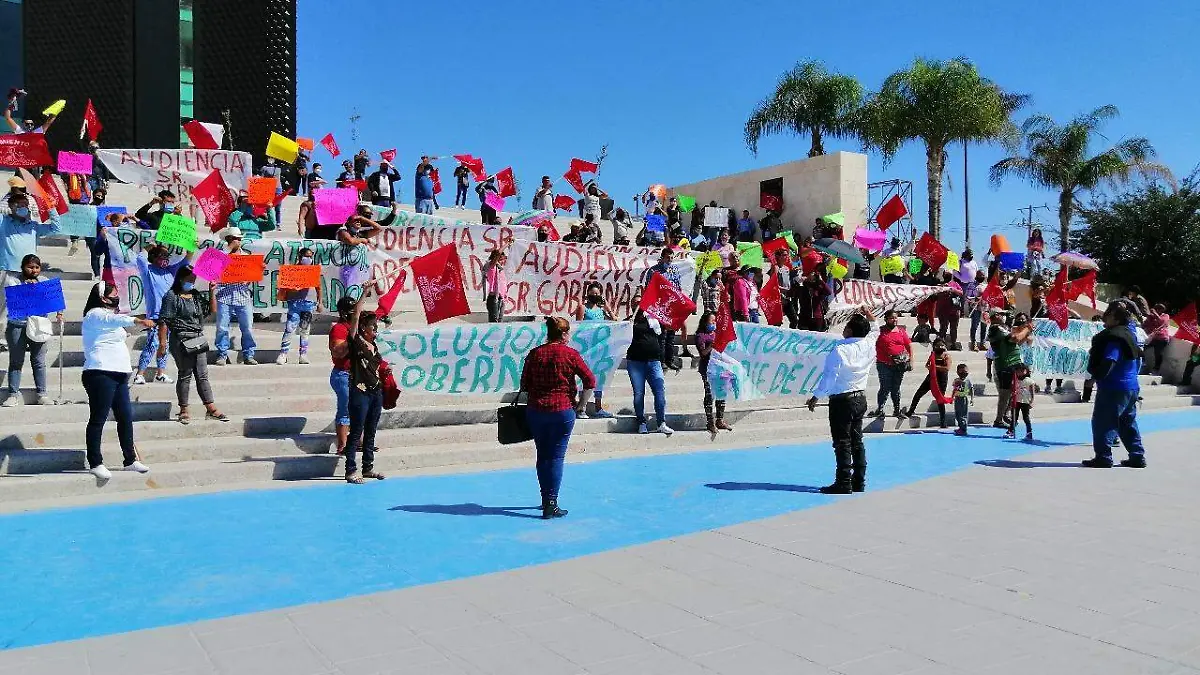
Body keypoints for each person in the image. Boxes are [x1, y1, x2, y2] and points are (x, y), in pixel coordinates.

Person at [520, 316, 596, 518]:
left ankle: (545, 499)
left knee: (542, 455)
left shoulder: (535, 353)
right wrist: (581, 405)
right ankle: (551, 502)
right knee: (556, 456)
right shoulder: (570, 354)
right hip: (562, 410)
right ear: (564, 334)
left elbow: (524, 384)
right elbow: (590, 380)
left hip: (536, 410)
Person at [80, 281, 156, 479]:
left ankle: (130, 459)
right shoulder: (94, 314)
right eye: (113, 294)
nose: (116, 296)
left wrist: (147, 324)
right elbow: (113, 321)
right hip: (100, 372)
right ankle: (95, 462)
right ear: (103, 297)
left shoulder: (111, 318)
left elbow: (120, 328)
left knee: (125, 417)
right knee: (99, 418)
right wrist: (137, 320)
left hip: (120, 373)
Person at [806, 308, 878, 494]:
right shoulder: (869, 344)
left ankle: (843, 481)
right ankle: (859, 480)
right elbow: (875, 328)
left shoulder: (840, 350)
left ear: (851, 331)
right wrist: (869, 314)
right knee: (857, 440)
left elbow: (829, 376)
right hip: (860, 397)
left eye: (846, 327)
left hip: (842, 400)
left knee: (842, 442)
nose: (843, 329)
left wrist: (816, 396)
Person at [157, 266, 228, 424]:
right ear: (181, 278)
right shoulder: (171, 296)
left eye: (194, 279)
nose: (192, 282)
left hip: (197, 338)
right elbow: (164, 320)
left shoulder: (195, 295)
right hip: (181, 339)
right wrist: (162, 343)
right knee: (185, 374)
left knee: (202, 375)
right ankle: (183, 409)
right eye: (190, 279)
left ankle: (211, 408)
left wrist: (212, 292)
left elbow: (212, 310)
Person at [1083, 303, 1147, 468]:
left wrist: (1096, 376)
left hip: (1114, 387)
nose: (1105, 316)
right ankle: (1137, 455)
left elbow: (1110, 361)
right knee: (1128, 422)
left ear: (1116, 318)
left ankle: (1103, 456)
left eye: (1108, 314)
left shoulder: (1115, 339)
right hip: (1131, 386)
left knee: (1104, 421)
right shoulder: (1130, 334)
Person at [0, 193, 60, 347]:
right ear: (11, 207)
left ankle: (27, 337)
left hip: (28, 273)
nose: (23, 208)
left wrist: (50, 207)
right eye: (19, 205)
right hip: (8, 271)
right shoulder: (4, 222)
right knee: (4, 309)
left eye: (26, 205)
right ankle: (2, 339)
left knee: (27, 308)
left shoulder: (33, 226)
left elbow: (56, 227)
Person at [2, 254, 61, 406]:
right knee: (16, 361)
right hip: (17, 325)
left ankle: (42, 394)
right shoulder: (13, 280)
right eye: (30, 267)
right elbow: (14, 300)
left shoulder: (44, 281)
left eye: (36, 267)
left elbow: (54, 300)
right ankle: (13, 395)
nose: (34, 270)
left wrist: (59, 313)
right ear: (23, 267)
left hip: (39, 325)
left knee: (39, 362)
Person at [343, 294, 388, 484]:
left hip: (375, 392)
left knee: (371, 431)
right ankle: (350, 470)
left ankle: (368, 467)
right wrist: (365, 293)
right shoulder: (357, 342)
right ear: (363, 328)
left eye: (376, 327)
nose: (375, 330)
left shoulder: (374, 346)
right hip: (359, 392)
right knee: (356, 431)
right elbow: (355, 317)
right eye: (373, 327)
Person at [132, 245, 192, 385]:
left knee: (164, 346)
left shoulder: (170, 271)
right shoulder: (148, 271)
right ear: (154, 257)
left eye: (167, 256)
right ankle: (140, 374)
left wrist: (190, 248)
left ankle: (161, 373)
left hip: (170, 316)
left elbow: (186, 260)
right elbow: (140, 258)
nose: (165, 259)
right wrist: (150, 246)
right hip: (155, 316)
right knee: (152, 344)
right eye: (162, 256)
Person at [209, 227, 258, 365]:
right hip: (224, 296)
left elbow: (252, 277)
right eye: (237, 238)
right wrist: (228, 249)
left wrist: (251, 276)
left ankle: (249, 354)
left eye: (240, 239)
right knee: (222, 327)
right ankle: (222, 354)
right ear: (230, 240)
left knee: (247, 327)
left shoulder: (247, 257)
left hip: (243, 296)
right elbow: (211, 269)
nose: (239, 241)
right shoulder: (220, 255)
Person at [573, 281, 616, 420]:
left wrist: (607, 308)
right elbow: (577, 328)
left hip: (601, 348)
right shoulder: (583, 308)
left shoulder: (602, 310)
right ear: (587, 294)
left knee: (600, 377)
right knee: (584, 377)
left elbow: (615, 320)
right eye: (592, 294)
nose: (594, 296)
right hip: (586, 348)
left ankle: (598, 407)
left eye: (597, 294)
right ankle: (581, 407)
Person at [626, 310, 672, 435]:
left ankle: (661, 423)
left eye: (640, 302)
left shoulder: (653, 320)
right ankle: (641, 422)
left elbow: (666, 327)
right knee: (639, 393)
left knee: (659, 391)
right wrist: (627, 326)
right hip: (635, 363)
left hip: (654, 362)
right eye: (635, 303)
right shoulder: (630, 320)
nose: (639, 306)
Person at [276, 247, 323, 365]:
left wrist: (320, 302)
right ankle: (283, 354)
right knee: (289, 328)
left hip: (309, 303)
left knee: (305, 329)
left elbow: (319, 287)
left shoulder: (313, 271)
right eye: (307, 256)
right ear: (300, 257)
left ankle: (303, 354)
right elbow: (284, 287)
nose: (309, 259)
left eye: (311, 256)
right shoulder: (292, 270)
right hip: (294, 303)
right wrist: (293, 288)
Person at [989, 310, 1033, 428]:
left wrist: (1026, 332)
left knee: (1014, 392)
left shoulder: (1003, 328)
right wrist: (1026, 329)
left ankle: (1005, 415)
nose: (1004, 316)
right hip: (1006, 364)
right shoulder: (995, 328)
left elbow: (1017, 343)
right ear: (995, 316)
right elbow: (1014, 339)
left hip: (1013, 362)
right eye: (1001, 314)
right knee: (1005, 394)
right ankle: (999, 419)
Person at [870, 310, 914, 418]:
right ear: (886, 319)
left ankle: (897, 410)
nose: (894, 320)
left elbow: (909, 346)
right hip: (884, 363)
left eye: (895, 318)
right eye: (891, 318)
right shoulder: (880, 331)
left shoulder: (901, 331)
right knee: (885, 387)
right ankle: (880, 409)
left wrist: (911, 360)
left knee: (896, 388)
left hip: (899, 364)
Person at [694, 312, 732, 435]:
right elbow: (703, 353)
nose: (714, 323)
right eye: (712, 321)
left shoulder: (717, 334)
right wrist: (712, 345)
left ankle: (719, 420)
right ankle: (710, 421)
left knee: (722, 393)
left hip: (720, 368)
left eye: (715, 321)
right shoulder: (701, 336)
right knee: (710, 394)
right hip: (707, 369)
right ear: (705, 322)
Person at [904, 336, 952, 427]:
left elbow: (947, 368)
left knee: (940, 400)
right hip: (931, 378)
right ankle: (911, 411)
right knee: (918, 394)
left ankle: (943, 421)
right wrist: (931, 367)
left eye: (941, 345)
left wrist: (934, 367)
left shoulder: (946, 356)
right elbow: (927, 365)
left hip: (941, 380)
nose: (939, 347)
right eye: (938, 345)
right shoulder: (933, 354)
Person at [1007, 363, 1036, 440]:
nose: (1019, 372)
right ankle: (1011, 431)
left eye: (1021, 371)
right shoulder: (1015, 381)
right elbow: (1012, 391)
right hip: (1017, 401)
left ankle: (1029, 433)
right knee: (1014, 417)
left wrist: (1031, 401)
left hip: (1025, 402)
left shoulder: (1030, 381)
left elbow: (1032, 392)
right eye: (1017, 371)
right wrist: (1011, 401)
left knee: (1026, 418)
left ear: (1025, 371)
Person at [1142, 303, 1171, 374]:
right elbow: (1145, 325)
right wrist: (1149, 318)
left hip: (1162, 338)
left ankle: (1156, 369)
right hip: (1153, 338)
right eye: (1156, 309)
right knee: (1142, 347)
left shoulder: (1165, 316)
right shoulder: (1152, 317)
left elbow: (1162, 322)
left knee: (1158, 353)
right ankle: (1143, 363)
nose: (1158, 310)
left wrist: (1155, 314)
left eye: (1159, 309)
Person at [482, 249, 508, 323]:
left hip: (501, 299)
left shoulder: (501, 270)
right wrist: (507, 243)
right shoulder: (492, 267)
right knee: (494, 324)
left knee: (499, 323)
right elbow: (496, 255)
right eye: (500, 259)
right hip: (494, 299)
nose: (502, 261)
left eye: (503, 259)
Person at [951, 364, 974, 436]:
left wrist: (972, 399)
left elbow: (971, 389)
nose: (963, 373)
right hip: (957, 398)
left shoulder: (968, 381)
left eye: (965, 371)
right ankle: (960, 427)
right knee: (957, 413)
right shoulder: (956, 380)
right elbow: (954, 389)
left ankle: (964, 429)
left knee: (963, 414)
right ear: (958, 372)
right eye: (961, 371)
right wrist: (952, 397)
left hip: (964, 398)